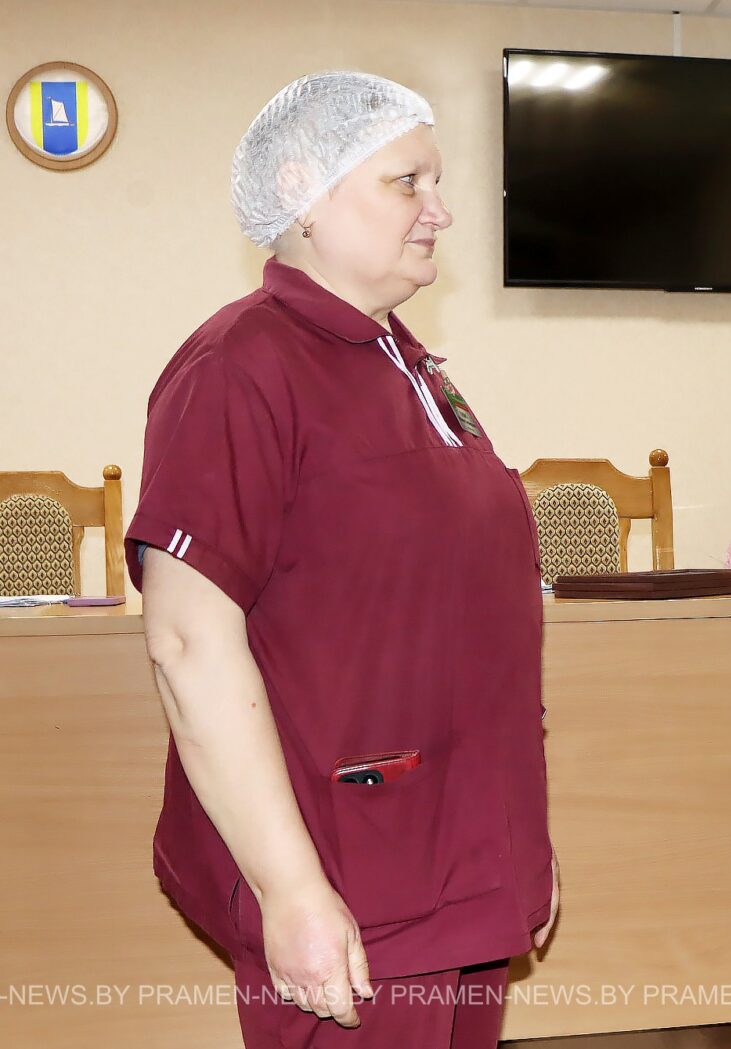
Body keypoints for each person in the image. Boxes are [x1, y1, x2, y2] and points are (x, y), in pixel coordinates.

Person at [125, 71, 558, 1047]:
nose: (440, 211)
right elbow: (189, 644)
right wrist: (290, 890)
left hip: (460, 865)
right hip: (355, 879)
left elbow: (468, 616)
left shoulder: (406, 364)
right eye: (407, 181)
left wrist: (516, 844)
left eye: (437, 183)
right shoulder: (238, 367)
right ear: (303, 192)